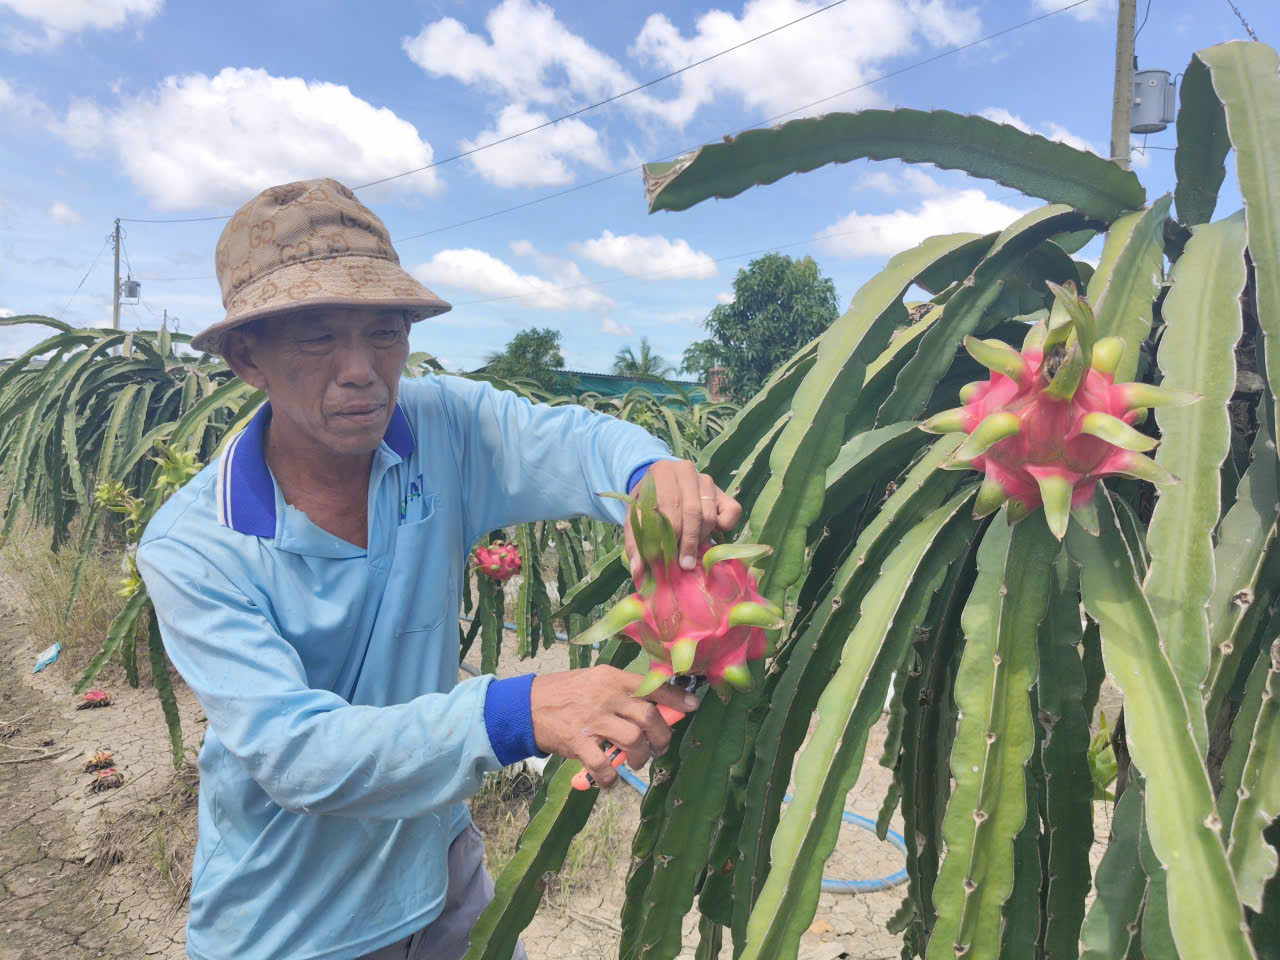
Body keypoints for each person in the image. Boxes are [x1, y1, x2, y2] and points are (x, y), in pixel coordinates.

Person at [137, 178, 742, 960]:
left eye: (385, 333)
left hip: (441, 877)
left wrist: (650, 477)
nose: (362, 370)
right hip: (292, 923)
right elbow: (298, 754)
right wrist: (522, 711)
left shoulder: (441, 426)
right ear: (247, 356)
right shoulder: (194, 545)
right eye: (319, 338)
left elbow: (574, 441)